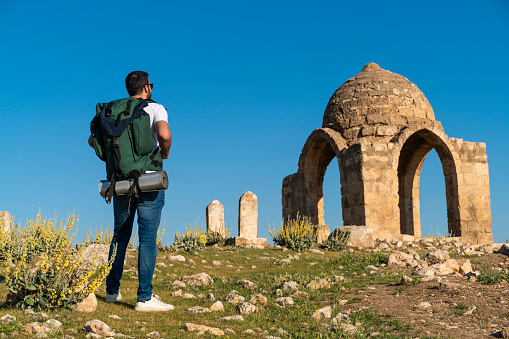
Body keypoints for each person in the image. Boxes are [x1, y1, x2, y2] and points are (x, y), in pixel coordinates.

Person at [88, 71, 173, 312]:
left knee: (120, 235)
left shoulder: (113, 110)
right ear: (147, 87)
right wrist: (164, 153)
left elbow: (92, 141)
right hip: (149, 180)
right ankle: (144, 298)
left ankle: (112, 292)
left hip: (120, 183)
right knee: (147, 238)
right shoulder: (155, 108)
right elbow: (164, 134)